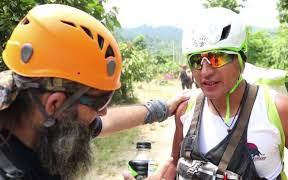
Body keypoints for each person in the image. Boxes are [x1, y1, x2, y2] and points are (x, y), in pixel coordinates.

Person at [0, 4, 188, 180]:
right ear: (54, 103)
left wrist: (161, 108)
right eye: (101, 101)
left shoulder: (27, 107)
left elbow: (104, 122)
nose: (104, 111)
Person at [164, 7, 288, 180]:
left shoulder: (278, 110)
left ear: (241, 60)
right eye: (196, 60)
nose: (205, 72)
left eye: (217, 59)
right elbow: (174, 162)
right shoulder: (186, 109)